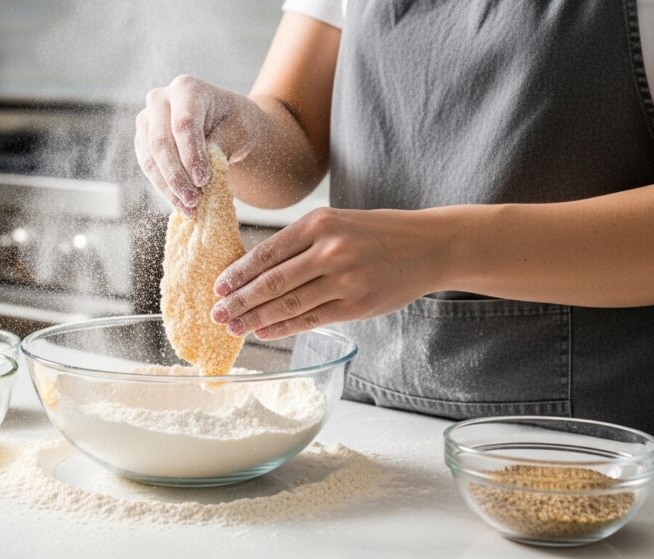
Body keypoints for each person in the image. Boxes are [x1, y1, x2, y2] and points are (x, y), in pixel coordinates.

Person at [134, 0, 654, 433]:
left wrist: (439, 250)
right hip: (352, 415)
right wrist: (238, 131)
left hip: (580, 444)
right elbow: (292, 136)